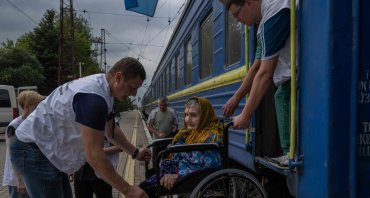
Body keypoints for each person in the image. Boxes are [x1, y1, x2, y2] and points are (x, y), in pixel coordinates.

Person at [10, 57, 151, 198]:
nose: (133, 94)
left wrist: (135, 152)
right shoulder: (94, 98)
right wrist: (128, 190)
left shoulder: (103, 90)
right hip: (33, 148)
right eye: (132, 87)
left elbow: (111, 132)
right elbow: (94, 156)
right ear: (118, 77)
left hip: (45, 149)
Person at [222, 0, 295, 166]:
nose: (238, 20)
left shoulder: (275, 8)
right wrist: (236, 98)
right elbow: (256, 67)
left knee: (282, 96)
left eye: (237, 14)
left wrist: (246, 115)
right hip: (288, 75)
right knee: (281, 95)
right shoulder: (263, 25)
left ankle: (290, 153)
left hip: (296, 73)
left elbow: (264, 74)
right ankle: (289, 152)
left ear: (249, 3)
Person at [140, 96, 223, 197]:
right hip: (177, 170)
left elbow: (207, 164)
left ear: (205, 115)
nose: (188, 119)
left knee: (142, 192)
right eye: (186, 114)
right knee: (142, 187)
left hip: (187, 176)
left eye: (193, 115)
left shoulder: (210, 136)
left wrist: (177, 175)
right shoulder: (189, 132)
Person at [2, 90, 44, 198]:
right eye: (37, 105)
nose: (39, 108)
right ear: (28, 107)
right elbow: (13, 156)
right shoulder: (14, 126)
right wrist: (19, 180)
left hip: (30, 175)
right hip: (17, 179)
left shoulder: (33, 122)